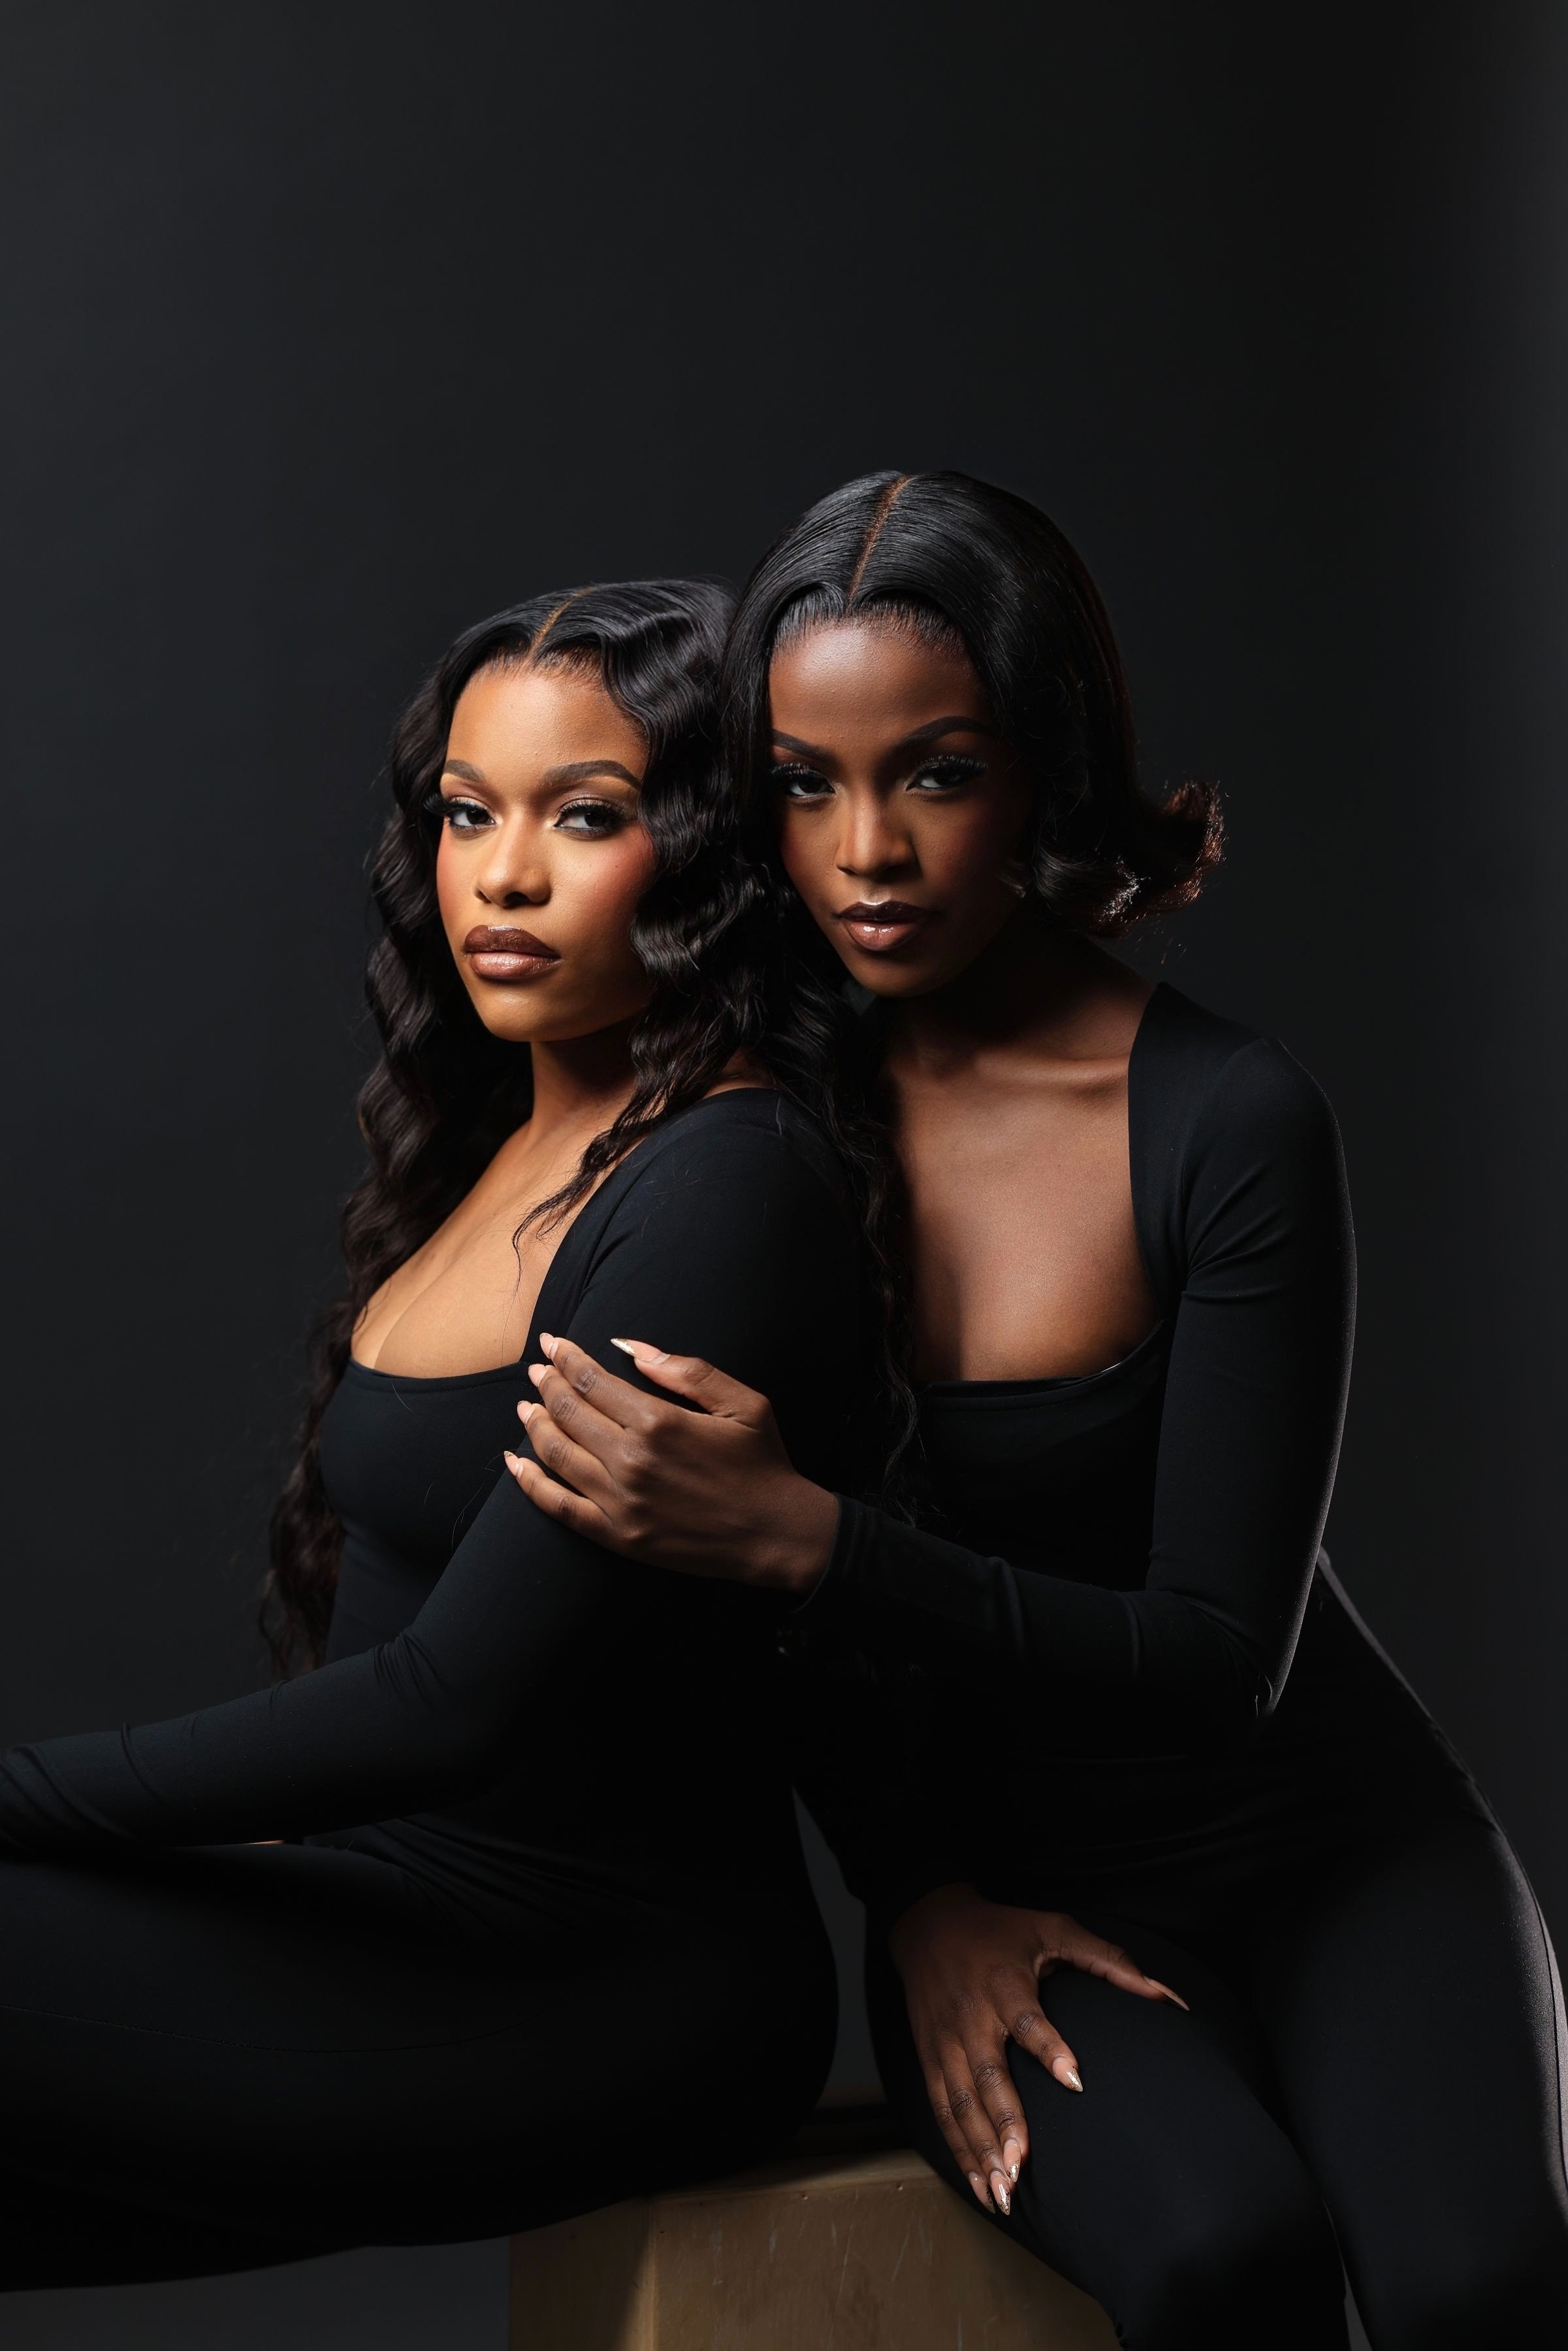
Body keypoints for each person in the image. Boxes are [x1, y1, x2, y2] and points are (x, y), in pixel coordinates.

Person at [509, 477, 1568, 2349]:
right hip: (1018, 1888)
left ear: (1047, 771)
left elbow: (1217, 1656)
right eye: (803, 781)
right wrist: (914, 1895)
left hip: (1335, 1849)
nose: (866, 854)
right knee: (1216, 2258)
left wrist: (812, 1536)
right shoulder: (743, 1130)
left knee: (1478, 2289)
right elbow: (718, 1646)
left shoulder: (1231, 1122)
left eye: (934, 772)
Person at [0, 579, 876, 2288]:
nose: (508, 874)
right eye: (469, 812)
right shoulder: (500, 1145)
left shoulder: (723, 1182)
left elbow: (450, 1703)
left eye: (589, 816)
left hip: (594, 1988)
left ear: (709, 851)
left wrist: (20, 1803)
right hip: (395, 1916)